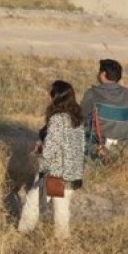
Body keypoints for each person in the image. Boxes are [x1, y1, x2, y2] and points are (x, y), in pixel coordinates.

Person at [19, 80, 85, 238]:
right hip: (72, 171)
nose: (46, 94)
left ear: (56, 97)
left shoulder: (57, 119)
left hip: (55, 172)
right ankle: (62, 240)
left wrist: (38, 150)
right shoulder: (77, 118)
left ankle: (23, 232)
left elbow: (51, 150)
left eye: (49, 92)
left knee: (32, 201)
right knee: (61, 207)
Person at [81, 58, 128, 155]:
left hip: (96, 146)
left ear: (103, 74)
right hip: (123, 147)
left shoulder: (92, 94)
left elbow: (81, 118)